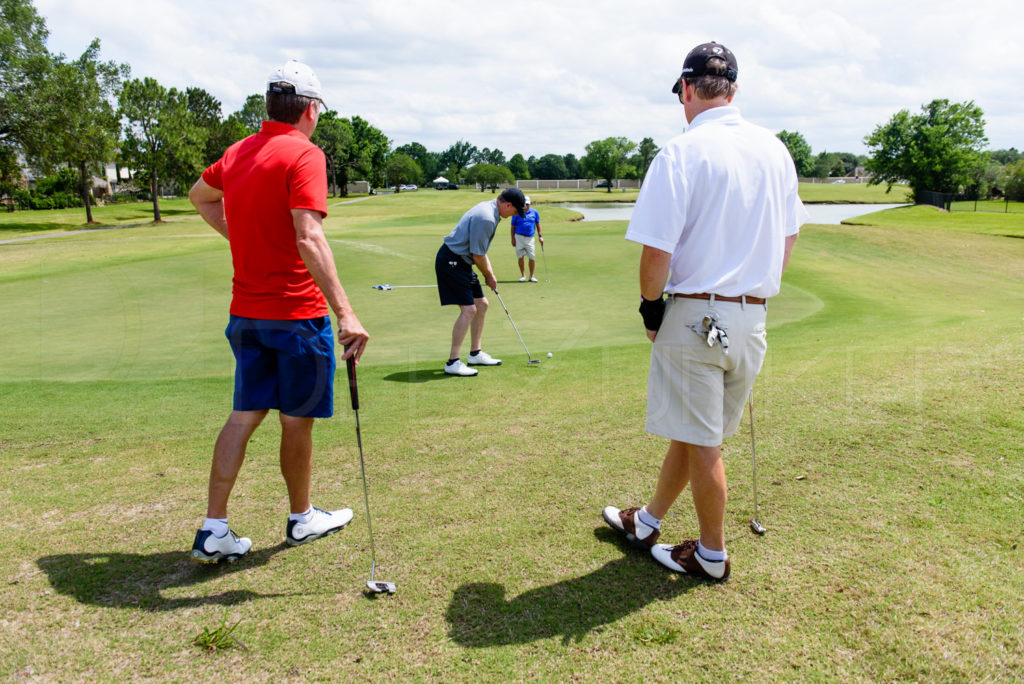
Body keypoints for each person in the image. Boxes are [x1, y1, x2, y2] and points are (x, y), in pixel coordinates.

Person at [603, 42, 806, 581]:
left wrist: (651, 310)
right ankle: (646, 522)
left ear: (688, 89)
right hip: (751, 321)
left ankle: (712, 555)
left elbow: (655, 255)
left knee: (703, 441)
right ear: (734, 89)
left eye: (680, 94)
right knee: (694, 431)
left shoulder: (680, 152)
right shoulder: (775, 149)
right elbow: (787, 237)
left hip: (695, 320)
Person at [187, 59, 370, 562]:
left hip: (246, 314)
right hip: (295, 315)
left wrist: (244, 240)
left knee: (244, 414)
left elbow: (200, 197)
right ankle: (301, 518)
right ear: (310, 110)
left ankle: (214, 528)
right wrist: (346, 313)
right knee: (295, 421)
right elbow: (309, 234)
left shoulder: (237, 151)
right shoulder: (304, 154)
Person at [435, 187, 527, 376]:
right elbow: (478, 255)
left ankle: (475, 354)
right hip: (452, 260)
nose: (513, 216)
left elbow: (480, 253)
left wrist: (490, 274)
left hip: (462, 261)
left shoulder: (490, 210)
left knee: (481, 304)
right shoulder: (486, 217)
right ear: (508, 205)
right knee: (469, 310)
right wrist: (489, 276)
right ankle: (453, 362)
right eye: (515, 211)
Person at [510, 195, 543, 282]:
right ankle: (523, 276)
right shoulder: (517, 212)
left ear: (530, 204)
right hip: (519, 237)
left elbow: (538, 224)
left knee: (532, 257)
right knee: (520, 257)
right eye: (525, 204)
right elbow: (512, 226)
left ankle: (531, 276)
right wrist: (512, 239)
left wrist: (540, 236)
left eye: (527, 204)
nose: (526, 206)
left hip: (530, 238)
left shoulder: (534, 212)